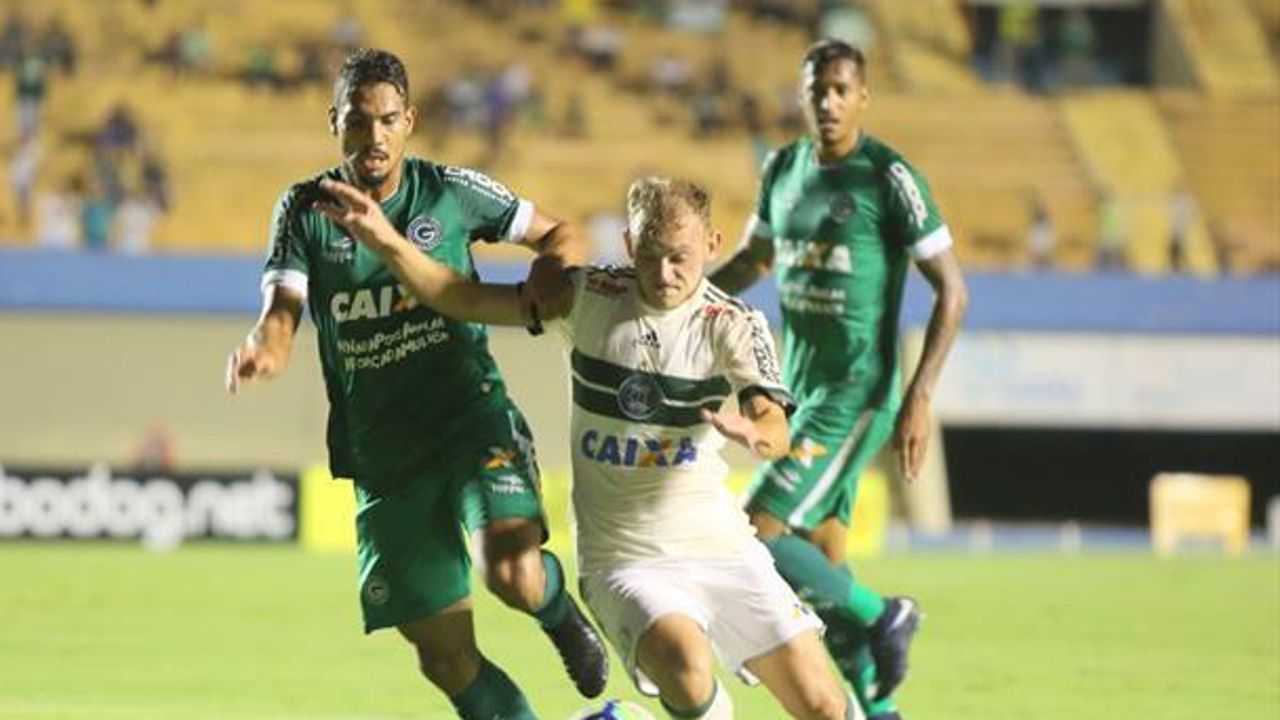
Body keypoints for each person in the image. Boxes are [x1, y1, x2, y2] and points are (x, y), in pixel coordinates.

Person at [316, 173, 857, 720]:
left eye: (681, 258)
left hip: (724, 549)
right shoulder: (590, 297)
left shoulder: (732, 325)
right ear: (628, 243)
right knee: (688, 669)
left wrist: (756, 432)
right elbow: (461, 297)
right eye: (650, 256)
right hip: (626, 561)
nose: (665, 274)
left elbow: (773, 423)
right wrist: (386, 240)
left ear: (713, 247)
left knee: (824, 706)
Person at [222, 48, 607, 720]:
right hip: (384, 456)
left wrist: (553, 277)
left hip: (469, 420)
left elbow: (559, 234)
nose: (374, 136)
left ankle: (556, 609)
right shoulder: (307, 208)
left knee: (510, 571)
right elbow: (282, 309)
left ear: (411, 121)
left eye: (388, 120)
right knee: (446, 659)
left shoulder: (451, 191)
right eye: (358, 120)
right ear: (334, 122)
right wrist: (266, 347)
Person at [709, 40, 968, 720]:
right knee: (823, 565)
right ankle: (881, 712)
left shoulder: (888, 177)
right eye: (817, 89)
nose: (828, 101)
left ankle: (886, 614)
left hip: (856, 396)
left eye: (841, 90)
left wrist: (920, 396)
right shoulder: (784, 169)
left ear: (863, 98)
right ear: (803, 95)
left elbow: (954, 292)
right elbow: (753, 262)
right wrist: (681, 298)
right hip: (799, 397)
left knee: (754, 532)